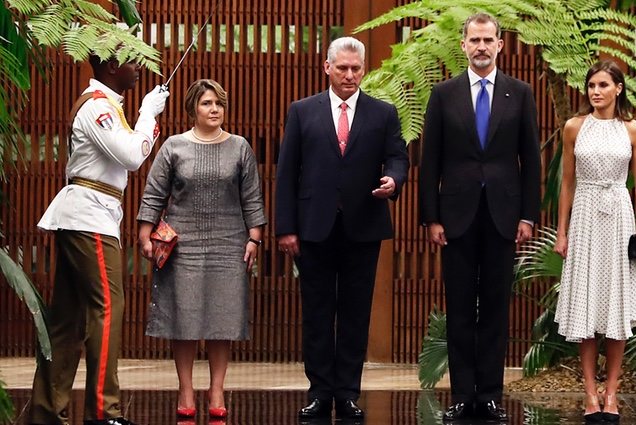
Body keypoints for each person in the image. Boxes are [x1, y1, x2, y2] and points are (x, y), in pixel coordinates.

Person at [29, 54, 169, 425]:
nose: (139, 68)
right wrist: (147, 113)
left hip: (92, 214)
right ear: (110, 67)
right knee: (108, 309)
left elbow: (131, 153)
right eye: (132, 62)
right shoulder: (98, 107)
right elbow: (131, 156)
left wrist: (143, 117)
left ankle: (45, 412)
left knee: (67, 320)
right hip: (89, 217)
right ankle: (102, 411)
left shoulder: (108, 106)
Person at [275, 36, 409, 420]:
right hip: (313, 228)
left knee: (355, 314)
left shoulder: (383, 113)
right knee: (316, 313)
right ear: (327, 68)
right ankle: (319, 391)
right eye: (343, 68)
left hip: (363, 227)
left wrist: (394, 181)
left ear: (363, 70)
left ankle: (348, 392)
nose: (350, 75)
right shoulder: (302, 111)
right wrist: (287, 227)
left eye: (356, 69)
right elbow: (287, 173)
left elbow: (398, 158)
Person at [418, 13, 541, 422]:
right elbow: (429, 160)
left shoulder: (519, 93)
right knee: (458, 309)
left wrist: (528, 214)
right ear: (464, 44)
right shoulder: (443, 94)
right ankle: (462, 395)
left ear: (501, 45)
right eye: (475, 40)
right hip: (455, 218)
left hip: (504, 216)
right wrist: (431, 218)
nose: (482, 47)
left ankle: (489, 395)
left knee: (493, 308)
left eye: (489, 40)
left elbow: (532, 160)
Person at [136, 79, 267, 420]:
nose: (214, 110)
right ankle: (185, 388)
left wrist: (254, 238)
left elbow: (251, 196)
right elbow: (154, 193)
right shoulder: (174, 147)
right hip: (183, 245)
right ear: (193, 107)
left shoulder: (240, 147)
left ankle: (218, 389)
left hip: (229, 243)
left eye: (219, 104)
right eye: (207, 103)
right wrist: (145, 232)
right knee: (185, 319)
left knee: (222, 320)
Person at [552, 60, 636, 423]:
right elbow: (566, 182)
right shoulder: (573, 127)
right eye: (591, 86)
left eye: (602, 85)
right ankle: (589, 394)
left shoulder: (634, 130)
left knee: (615, 308)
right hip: (583, 216)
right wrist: (562, 231)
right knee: (585, 307)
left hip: (619, 217)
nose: (595, 92)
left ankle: (611, 393)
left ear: (618, 88)